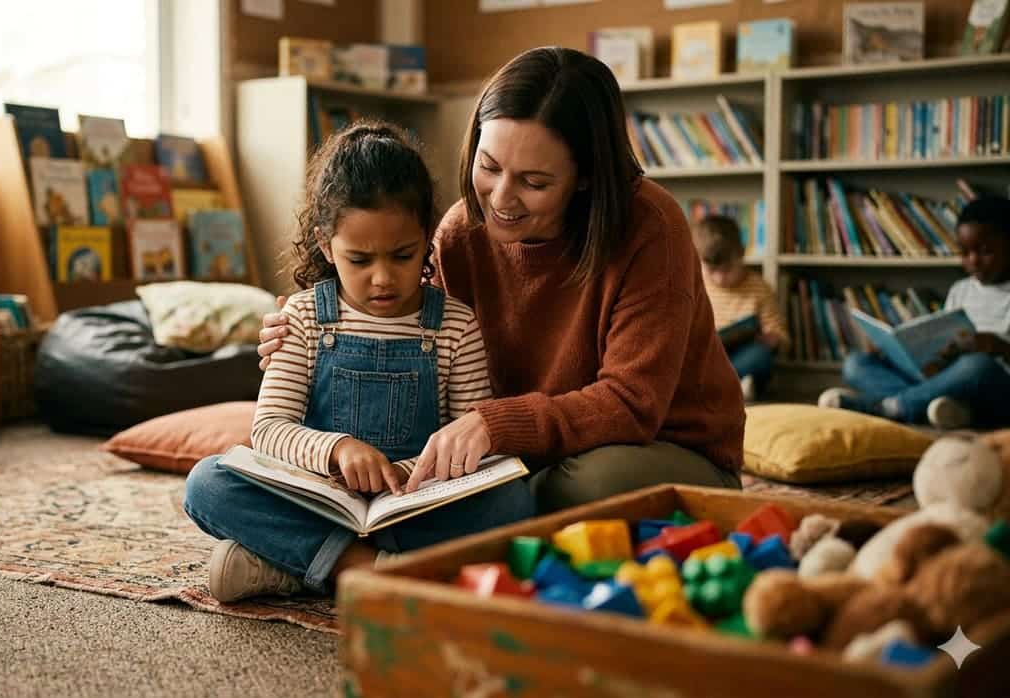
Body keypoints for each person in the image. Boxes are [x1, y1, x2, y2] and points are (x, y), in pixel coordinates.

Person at [258, 46, 746, 515]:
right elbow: (424, 343)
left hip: (656, 449)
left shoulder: (651, 226)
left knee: (579, 486)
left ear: (586, 177)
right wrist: (313, 331)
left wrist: (495, 427)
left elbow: (632, 404)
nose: (501, 199)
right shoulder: (458, 233)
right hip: (523, 451)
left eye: (534, 183)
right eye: (488, 167)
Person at [182, 122, 535, 603]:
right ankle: (366, 568)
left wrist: (405, 475)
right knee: (207, 483)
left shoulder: (455, 324)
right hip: (318, 499)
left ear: (427, 241)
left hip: (411, 505)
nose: (383, 278)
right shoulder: (304, 316)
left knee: (512, 499)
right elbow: (268, 429)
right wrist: (338, 451)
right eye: (360, 259)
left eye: (403, 255)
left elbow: (470, 442)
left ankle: (294, 565)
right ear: (326, 246)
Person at [820, 195, 1010, 429]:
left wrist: (1001, 347)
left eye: (985, 251)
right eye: (964, 252)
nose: (973, 261)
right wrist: (893, 353)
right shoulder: (961, 290)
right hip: (946, 381)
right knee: (856, 364)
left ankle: (888, 407)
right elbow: (945, 340)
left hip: (992, 386)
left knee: (978, 365)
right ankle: (944, 409)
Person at [691, 214, 790, 402]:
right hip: (705, 358)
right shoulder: (696, 284)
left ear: (742, 254)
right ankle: (730, 385)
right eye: (712, 271)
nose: (720, 278)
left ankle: (716, 386)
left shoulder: (759, 287)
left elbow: (778, 330)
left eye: (728, 269)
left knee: (760, 356)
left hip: (738, 357)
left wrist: (773, 338)